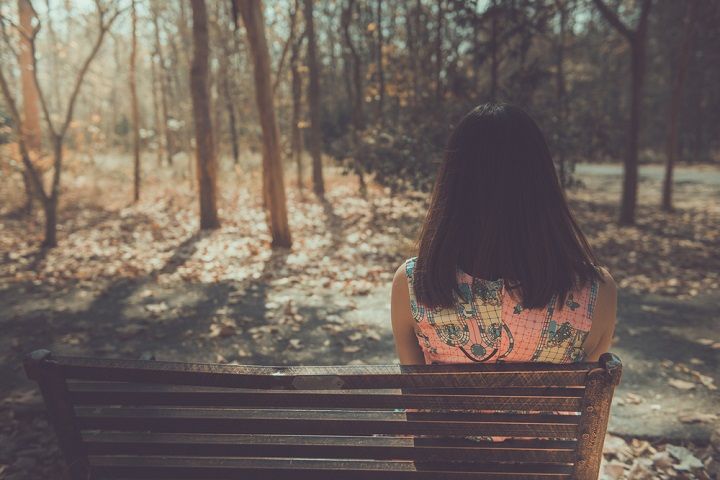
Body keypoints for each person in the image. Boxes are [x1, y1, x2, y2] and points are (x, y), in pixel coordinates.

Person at [391, 103, 616, 367]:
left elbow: (415, 400)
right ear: (543, 184)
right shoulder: (597, 291)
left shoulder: (413, 285)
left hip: (448, 410)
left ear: (452, 186)